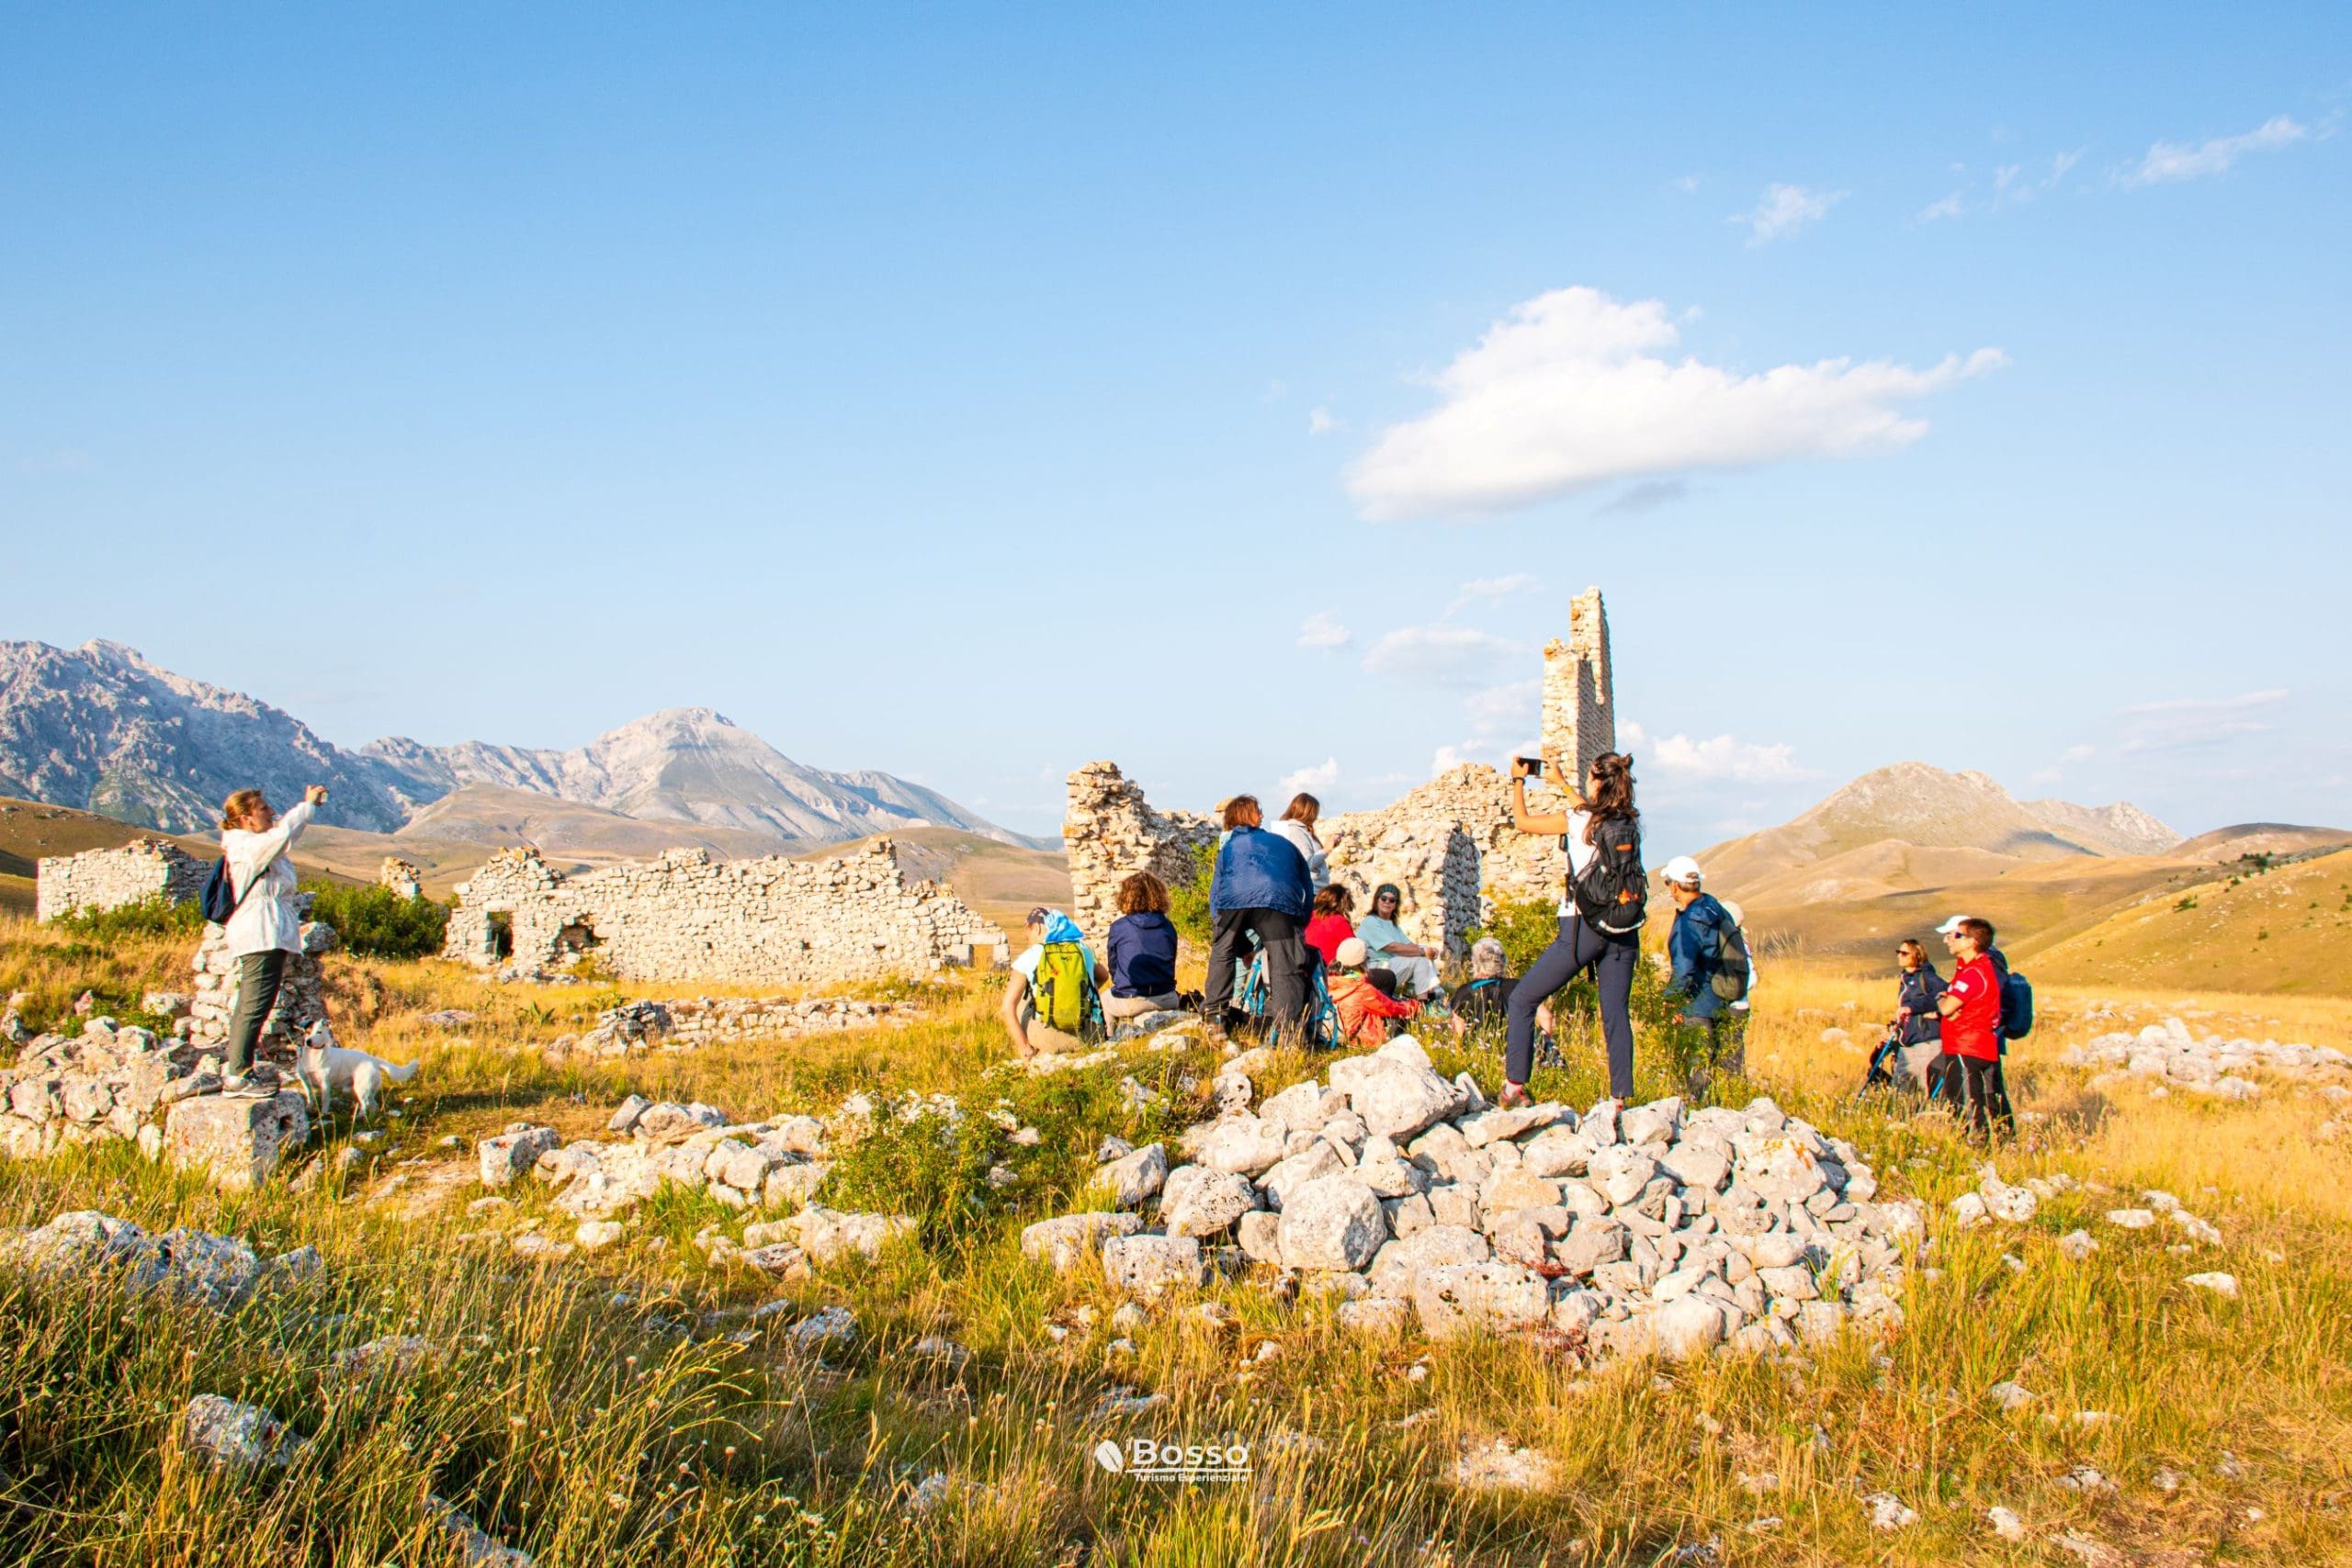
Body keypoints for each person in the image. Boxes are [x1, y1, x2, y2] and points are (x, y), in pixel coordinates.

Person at [1501, 749, 1644, 1109]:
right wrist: (1562, 783)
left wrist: (1518, 780)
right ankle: (1619, 1100)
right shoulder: (1627, 821)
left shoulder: (1579, 818)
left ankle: (1514, 1087)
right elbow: (1590, 811)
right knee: (1615, 1013)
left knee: (1523, 999)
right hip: (1624, 927)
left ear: (1595, 780)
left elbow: (1523, 821)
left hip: (1582, 927)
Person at [216, 784, 329, 1096]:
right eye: (263, 808)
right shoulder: (247, 847)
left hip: (268, 931)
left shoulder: (253, 845)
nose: (271, 812)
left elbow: (281, 838)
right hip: (260, 931)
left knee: (257, 1002)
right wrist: (307, 807)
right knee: (254, 1004)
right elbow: (282, 836)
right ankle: (237, 1075)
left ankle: (241, 1070)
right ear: (244, 819)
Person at [1202, 795, 1313, 1038]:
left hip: (1234, 901)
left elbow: (1216, 894)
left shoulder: (1229, 847)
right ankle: (1288, 1032)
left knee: (1222, 953)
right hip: (1281, 903)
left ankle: (1216, 1017)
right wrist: (1300, 925)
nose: (1262, 815)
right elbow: (1307, 881)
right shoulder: (1283, 844)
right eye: (1258, 810)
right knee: (1286, 964)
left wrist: (1228, 938)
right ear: (1245, 815)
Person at [1660, 854, 1744, 1095]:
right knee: (1722, 1067)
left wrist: (1671, 999)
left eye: (1669, 885)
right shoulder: (1714, 907)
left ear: (1675, 886)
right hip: (1724, 996)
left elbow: (1685, 967)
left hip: (1698, 1004)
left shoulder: (1690, 920)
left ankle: (1699, 1113)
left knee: (1698, 1070)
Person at [1932, 915, 2006, 1138]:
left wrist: (1940, 997)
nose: (1949, 940)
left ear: (1971, 941)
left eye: (1955, 935)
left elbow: (1947, 1007)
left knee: (1967, 1102)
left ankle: (1975, 1147)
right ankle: (2000, 1141)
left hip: (1966, 1045)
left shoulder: (1973, 973)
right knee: (1990, 1099)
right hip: (1981, 1044)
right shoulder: (1977, 968)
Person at [1001, 907, 1109, 1056]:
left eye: (1027, 930)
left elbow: (1007, 1008)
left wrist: (1025, 1047)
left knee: (1021, 1004)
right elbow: (1104, 976)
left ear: (1037, 928)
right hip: (1090, 1035)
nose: (1026, 936)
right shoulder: (1083, 950)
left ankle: (1029, 1051)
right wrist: (1077, 994)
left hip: (1049, 1040)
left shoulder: (1030, 955)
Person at [1102, 873, 1187, 1022]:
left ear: (1126, 896)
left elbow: (1113, 966)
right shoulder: (1168, 926)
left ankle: (1109, 1041)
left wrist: (1123, 985)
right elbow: (1171, 961)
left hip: (1131, 998)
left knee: (1103, 999)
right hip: (1167, 997)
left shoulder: (1119, 927)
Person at [1327, 936, 1420, 1046]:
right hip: (1359, 1038)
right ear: (1362, 963)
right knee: (1398, 1017)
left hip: (1335, 1034)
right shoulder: (1363, 990)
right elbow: (1391, 1008)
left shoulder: (1331, 980)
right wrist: (1416, 1006)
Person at [1355, 884, 1442, 999]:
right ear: (1377, 900)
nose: (1387, 902)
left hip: (1389, 964)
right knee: (1420, 960)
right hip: (1375, 968)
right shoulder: (1370, 922)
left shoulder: (1393, 925)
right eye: (1384, 898)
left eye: (1392, 900)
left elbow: (1410, 945)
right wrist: (1422, 952)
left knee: (1423, 951)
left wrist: (1429, 950)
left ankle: (1427, 992)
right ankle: (1425, 1001)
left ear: (1395, 904)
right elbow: (1392, 947)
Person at [1891, 938, 1947, 1093]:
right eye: (1898, 952)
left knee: (1926, 1086)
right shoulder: (1906, 980)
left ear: (1917, 955)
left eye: (1904, 953)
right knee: (1900, 1087)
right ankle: (1903, 1115)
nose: (1899, 956)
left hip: (1926, 1039)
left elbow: (1945, 994)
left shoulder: (1927, 977)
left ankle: (1929, 1115)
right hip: (1908, 1040)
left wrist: (1913, 1007)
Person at [1268, 793, 1330, 890]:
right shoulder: (1296, 831)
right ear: (1307, 813)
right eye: (1314, 812)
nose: (1316, 817)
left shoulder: (1300, 830)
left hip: (1312, 888)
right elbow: (1307, 864)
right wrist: (1327, 849)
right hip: (1311, 889)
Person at [1302, 884, 1357, 966]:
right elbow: (1354, 949)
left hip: (1307, 970)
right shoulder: (1338, 921)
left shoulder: (1307, 917)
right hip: (1330, 972)